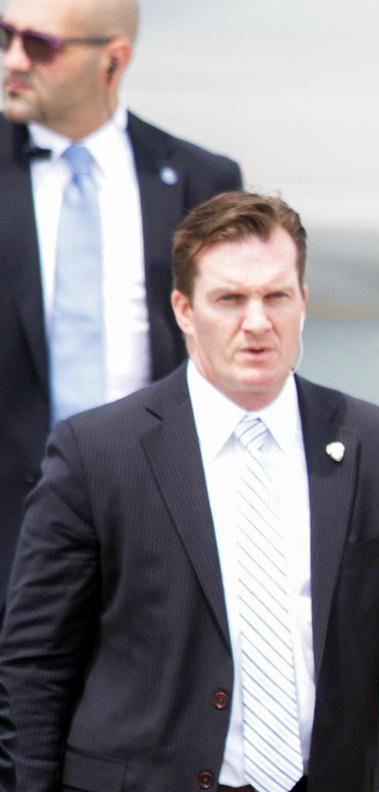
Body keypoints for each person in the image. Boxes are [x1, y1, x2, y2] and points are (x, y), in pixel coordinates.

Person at [0, 192, 379, 791]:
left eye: (276, 296)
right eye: (229, 299)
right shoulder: (97, 453)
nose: (257, 323)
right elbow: (33, 667)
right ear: (184, 310)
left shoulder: (376, 446)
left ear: (303, 302)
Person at [0, 0, 241, 602]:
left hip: (151, 535)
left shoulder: (198, 181)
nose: (12, 59)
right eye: (5, 36)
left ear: (113, 60)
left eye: (40, 45)